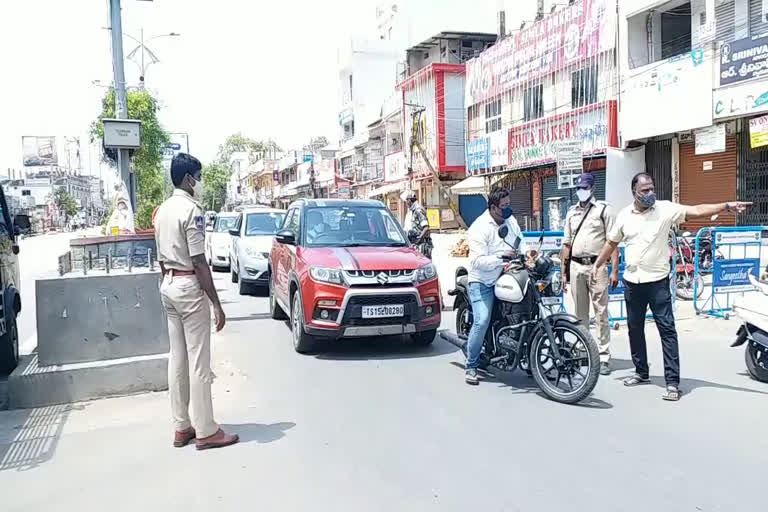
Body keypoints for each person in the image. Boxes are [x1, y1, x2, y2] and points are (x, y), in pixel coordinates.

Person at [592, 172, 751, 401]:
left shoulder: (665, 209)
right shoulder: (624, 215)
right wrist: (598, 265)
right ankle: (641, 372)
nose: (650, 194)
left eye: (651, 189)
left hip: (657, 283)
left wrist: (726, 206)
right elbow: (611, 242)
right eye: (644, 190)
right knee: (634, 329)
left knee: (667, 331)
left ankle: (672, 383)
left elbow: (697, 210)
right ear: (634, 193)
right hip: (633, 282)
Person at [154, 153, 239, 449]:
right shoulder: (192, 211)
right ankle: (206, 430)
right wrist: (216, 303)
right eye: (199, 177)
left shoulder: (162, 210)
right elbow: (199, 261)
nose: (200, 183)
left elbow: (161, 258)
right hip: (189, 285)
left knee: (176, 358)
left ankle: (181, 426)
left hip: (168, 284)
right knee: (199, 361)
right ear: (189, 178)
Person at [464, 186, 527, 385]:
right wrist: (500, 258)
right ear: (493, 207)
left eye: (509, 204)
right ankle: (471, 366)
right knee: (482, 320)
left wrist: (528, 253)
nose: (508, 209)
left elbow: (519, 240)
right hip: (482, 280)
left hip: (505, 275)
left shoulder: (511, 220)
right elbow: (476, 261)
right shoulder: (479, 227)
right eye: (504, 206)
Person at [561, 173, 619, 376]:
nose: (581, 191)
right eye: (578, 188)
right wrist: (563, 273)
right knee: (580, 314)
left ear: (592, 188)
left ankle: (603, 356)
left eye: (584, 187)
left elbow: (613, 242)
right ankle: (583, 350)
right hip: (576, 267)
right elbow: (566, 244)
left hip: (598, 266)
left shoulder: (604, 210)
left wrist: (614, 270)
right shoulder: (571, 212)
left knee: (601, 312)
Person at [401, 190, 433, 259]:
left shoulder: (418, 210)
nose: (406, 203)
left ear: (410, 200)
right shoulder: (411, 211)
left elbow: (426, 227)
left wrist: (419, 239)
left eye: (406, 200)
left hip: (421, 245)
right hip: (414, 244)